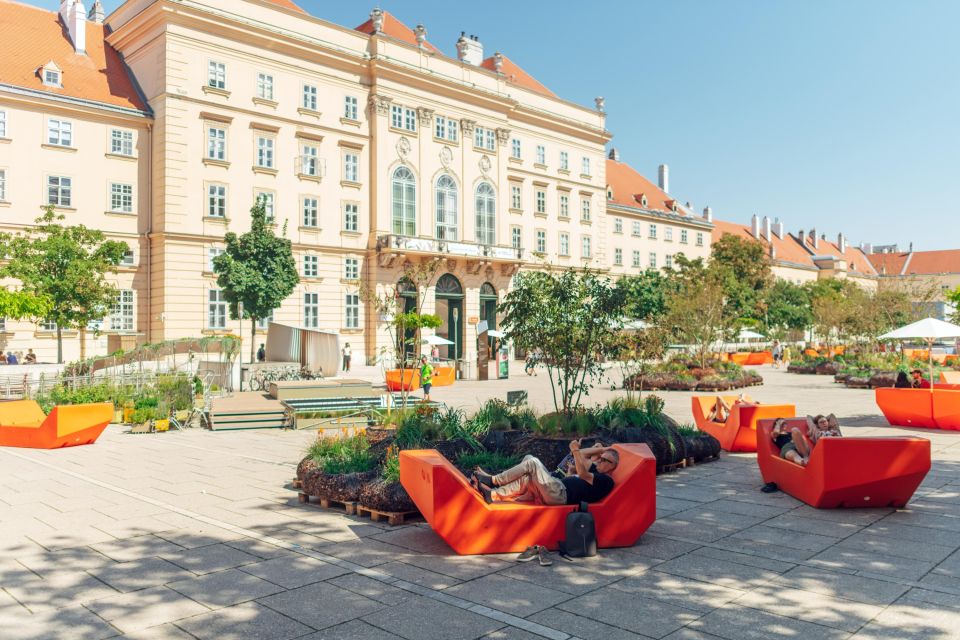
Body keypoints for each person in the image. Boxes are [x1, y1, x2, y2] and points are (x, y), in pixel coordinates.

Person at [472, 439, 618, 505]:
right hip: (557, 489)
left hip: (559, 495)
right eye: (600, 458)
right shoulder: (595, 470)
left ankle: (493, 480)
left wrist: (575, 450)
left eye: (604, 460)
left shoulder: (606, 480)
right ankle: (493, 495)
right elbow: (583, 455)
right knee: (528, 467)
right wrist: (602, 450)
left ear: (613, 466)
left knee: (533, 462)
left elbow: (582, 471)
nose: (599, 460)